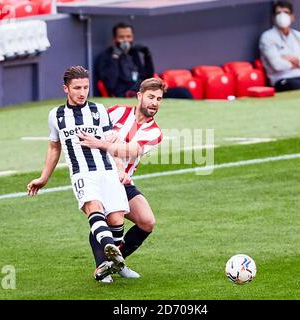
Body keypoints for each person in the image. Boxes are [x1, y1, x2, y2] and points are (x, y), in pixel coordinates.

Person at [27, 66, 138, 283]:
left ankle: (114, 263)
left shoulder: (99, 110)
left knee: (116, 221)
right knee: (94, 209)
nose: (82, 92)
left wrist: (120, 170)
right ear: (65, 89)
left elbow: (111, 143)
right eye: (77, 87)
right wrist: (43, 178)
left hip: (107, 172)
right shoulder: (56, 115)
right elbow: (54, 147)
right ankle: (109, 255)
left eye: (86, 87)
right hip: (82, 174)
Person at [78, 77, 165, 279]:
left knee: (147, 221)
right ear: (139, 96)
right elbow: (91, 130)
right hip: (98, 176)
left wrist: (105, 144)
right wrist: (103, 140)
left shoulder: (154, 132)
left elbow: (132, 150)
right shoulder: (117, 111)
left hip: (123, 180)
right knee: (111, 218)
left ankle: (116, 263)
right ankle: (101, 269)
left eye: (159, 99)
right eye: (151, 97)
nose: (154, 103)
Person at [96, 22, 193, 99]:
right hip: (127, 95)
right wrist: (115, 59)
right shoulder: (106, 56)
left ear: (132, 37)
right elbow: (110, 85)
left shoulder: (133, 53)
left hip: (145, 91)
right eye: (121, 37)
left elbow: (147, 77)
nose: (125, 40)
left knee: (184, 92)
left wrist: (147, 56)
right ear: (114, 39)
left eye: (128, 37)